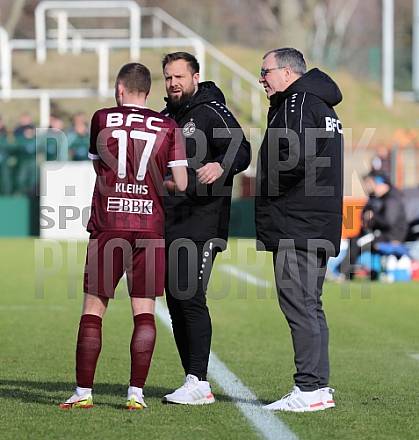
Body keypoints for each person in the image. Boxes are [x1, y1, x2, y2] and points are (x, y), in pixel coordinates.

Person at [60, 63, 187, 410]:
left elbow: (98, 167)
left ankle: (83, 392)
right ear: (148, 91)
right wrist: (157, 184)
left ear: (120, 89)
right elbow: (182, 183)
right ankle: (135, 394)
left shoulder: (102, 118)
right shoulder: (168, 126)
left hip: (109, 222)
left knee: (94, 308)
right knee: (144, 310)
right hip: (149, 226)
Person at [255, 48, 343, 412]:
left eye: (265, 71)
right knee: (310, 305)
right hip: (318, 220)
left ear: (288, 73)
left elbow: (293, 158)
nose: (261, 78)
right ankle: (318, 387)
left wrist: (267, 187)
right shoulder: (321, 105)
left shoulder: (297, 102)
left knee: (299, 305)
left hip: (298, 221)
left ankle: (308, 388)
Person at [161, 52, 251, 404]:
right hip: (171, 221)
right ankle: (192, 379)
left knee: (190, 296)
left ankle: (198, 379)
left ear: (195, 77)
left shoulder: (211, 110)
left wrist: (220, 165)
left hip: (204, 221)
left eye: (179, 77)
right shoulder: (166, 116)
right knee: (175, 300)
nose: (173, 83)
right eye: (168, 77)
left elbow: (241, 148)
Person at [340, 171, 408, 280]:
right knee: (353, 239)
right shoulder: (375, 198)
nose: (373, 188)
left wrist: (374, 216)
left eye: (374, 184)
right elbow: (365, 215)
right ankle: (349, 271)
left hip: (390, 237)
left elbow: (388, 222)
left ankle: (344, 274)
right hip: (378, 235)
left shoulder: (392, 200)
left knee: (357, 242)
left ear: (383, 185)